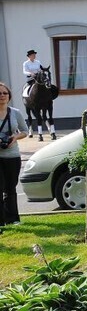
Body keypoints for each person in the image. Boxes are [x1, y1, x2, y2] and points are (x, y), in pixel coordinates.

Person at [0, 82, 28, 230]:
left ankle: (13, 218)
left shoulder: (15, 113)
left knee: (10, 188)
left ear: (9, 96)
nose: (2, 96)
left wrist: (15, 138)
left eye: (5, 93)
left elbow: (25, 130)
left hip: (12, 156)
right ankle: (0, 221)